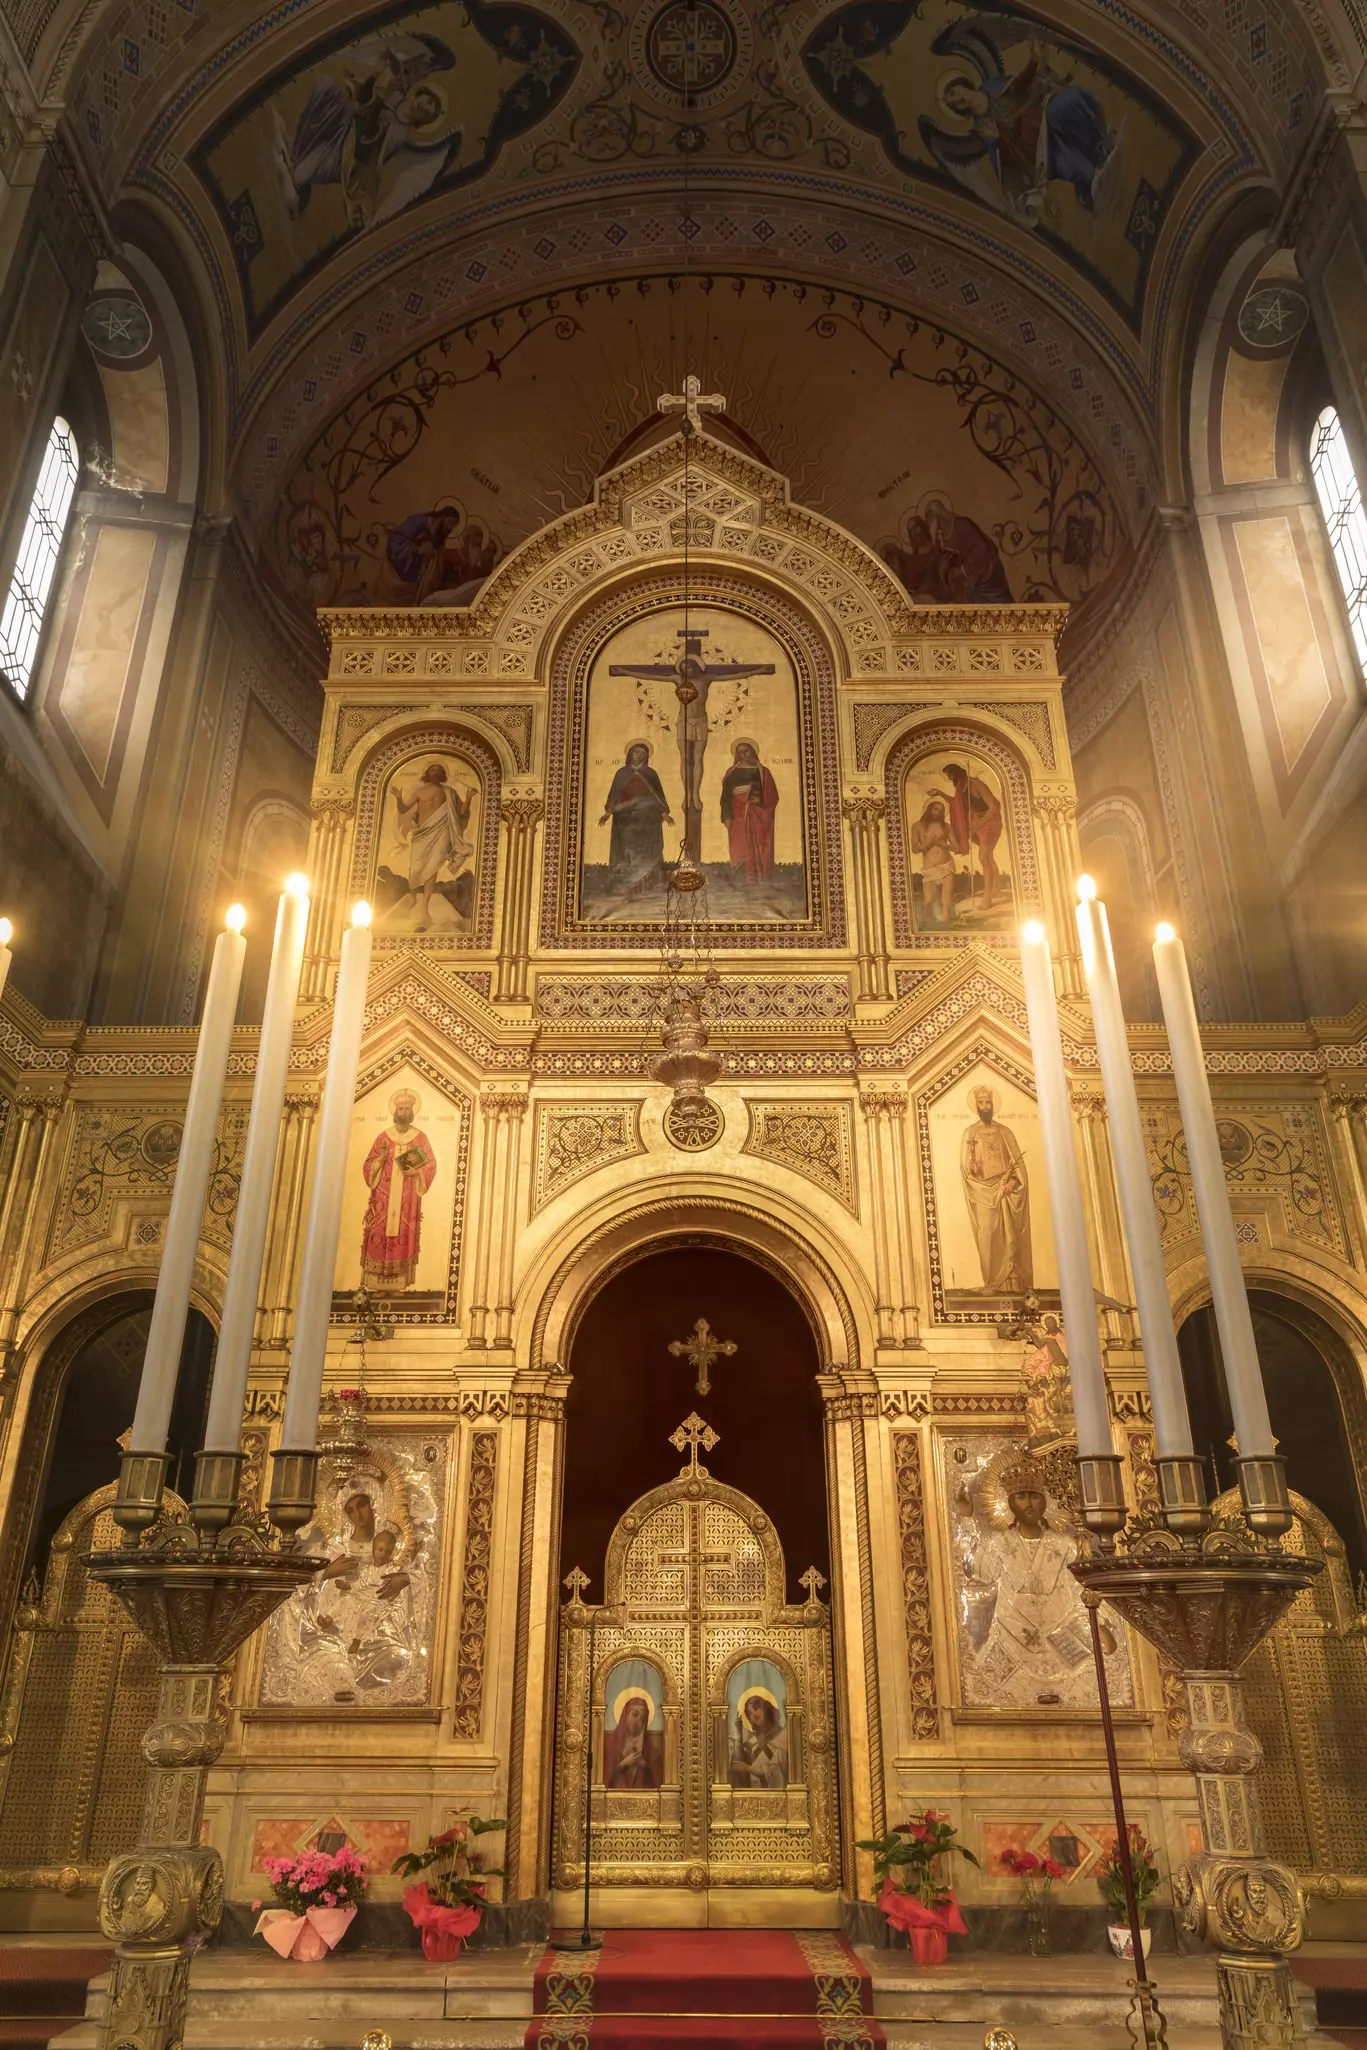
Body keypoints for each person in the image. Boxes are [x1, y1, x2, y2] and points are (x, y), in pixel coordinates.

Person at [964, 1459, 1115, 1708]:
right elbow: (978, 1575)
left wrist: (1100, 1625)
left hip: (1060, 1638)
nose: (1028, 1504)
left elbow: (1081, 1591)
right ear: (1010, 1503)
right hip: (1011, 1638)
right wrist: (966, 1520)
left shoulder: (1065, 1545)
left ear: (1045, 1501)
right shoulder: (997, 1545)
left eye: (1034, 1496)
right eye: (1021, 1497)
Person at [382, 760, 475, 929]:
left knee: (433, 868)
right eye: (432, 769)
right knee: (416, 869)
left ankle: (425, 906)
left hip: (442, 832)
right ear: (427, 773)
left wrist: (468, 798)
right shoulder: (419, 791)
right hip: (422, 833)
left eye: (438, 769)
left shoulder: (450, 792)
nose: (435, 771)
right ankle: (412, 896)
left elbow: (461, 813)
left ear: (442, 774)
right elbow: (403, 810)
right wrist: (398, 798)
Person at [360, 1089, 436, 1290]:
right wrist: (382, 1157)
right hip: (383, 1197)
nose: (402, 1112)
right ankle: (374, 1280)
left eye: (406, 1108)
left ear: (412, 1111)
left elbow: (431, 1164)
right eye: (400, 1108)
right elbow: (368, 1166)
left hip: (407, 1198)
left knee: (404, 1232)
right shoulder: (383, 1137)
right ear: (395, 1110)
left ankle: (401, 1280)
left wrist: (417, 1172)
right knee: (378, 1231)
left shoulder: (420, 1138)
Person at [960, 1084, 1032, 1293]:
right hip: (982, 1193)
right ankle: (992, 1282)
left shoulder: (1004, 1132)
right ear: (976, 1106)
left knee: (1010, 1236)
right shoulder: (970, 1133)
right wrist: (972, 1170)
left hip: (1004, 1190)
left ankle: (1011, 1283)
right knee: (987, 1234)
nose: (985, 1106)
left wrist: (1013, 1182)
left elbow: (1019, 1167)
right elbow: (966, 1169)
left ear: (993, 1105)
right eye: (981, 1102)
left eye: (988, 1102)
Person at [599, 741, 673, 899]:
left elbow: (659, 795)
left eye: (643, 753)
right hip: (626, 820)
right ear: (630, 754)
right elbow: (614, 794)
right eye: (636, 752)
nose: (640, 755)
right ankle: (625, 888)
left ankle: (649, 886)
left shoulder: (651, 773)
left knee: (648, 851)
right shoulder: (621, 773)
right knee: (628, 851)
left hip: (648, 819)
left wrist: (664, 813)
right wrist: (608, 812)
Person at [933, 761, 1005, 912]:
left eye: (950, 775)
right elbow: (954, 803)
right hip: (977, 821)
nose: (949, 778)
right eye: (947, 776)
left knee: (984, 857)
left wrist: (979, 825)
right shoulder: (961, 788)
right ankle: (996, 888)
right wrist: (939, 792)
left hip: (990, 821)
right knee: (988, 856)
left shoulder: (976, 784)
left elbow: (994, 807)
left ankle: (987, 898)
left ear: (957, 773)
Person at [922, 499, 1013, 603]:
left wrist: (962, 570)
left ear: (936, 516)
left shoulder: (962, 525)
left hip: (986, 578)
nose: (929, 524)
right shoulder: (943, 537)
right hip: (968, 586)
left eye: (929, 519)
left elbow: (981, 549)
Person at [720, 739, 779, 888]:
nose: (744, 754)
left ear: (753, 751)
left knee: (758, 843)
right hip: (737, 813)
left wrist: (760, 801)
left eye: (746, 751)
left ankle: (761, 879)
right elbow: (725, 796)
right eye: (740, 752)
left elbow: (772, 795)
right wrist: (726, 816)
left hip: (757, 813)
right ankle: (741, 881)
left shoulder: (763, 771)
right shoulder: (731, 772)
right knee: (739, 845)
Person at [910, 795, 958, 925]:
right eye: (936, 809)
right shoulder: (918, 826)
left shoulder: (946, 827)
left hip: (947, 865)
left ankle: (946, 932)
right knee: (928, 902)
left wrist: (945, 845)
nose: (938, 812)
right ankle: (927, 932)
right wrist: (930, 843)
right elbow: (914, 848)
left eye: (941, 810)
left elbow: (956, 847)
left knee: (946, 901)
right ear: (929, 809)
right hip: (930, 868)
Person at [602, 1693, 664, 1788]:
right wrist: (623, 1764)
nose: (637, 1722)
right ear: (625, 1715)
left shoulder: (648, 1746)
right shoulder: (611, 1743)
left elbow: (658, 1778)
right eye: (634, 1715)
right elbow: (604, 1776)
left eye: (642, 1719)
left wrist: (645, 1766)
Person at [728, 1694, 788, 1789]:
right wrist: (738, 1734)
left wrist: (749, 1769)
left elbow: (777, 1772)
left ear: (766, 1709)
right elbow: (739, 1767)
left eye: (756, 1708)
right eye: (749, 1714)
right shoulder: (753, 1742)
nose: (754, 1715)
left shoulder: (783, 1737)